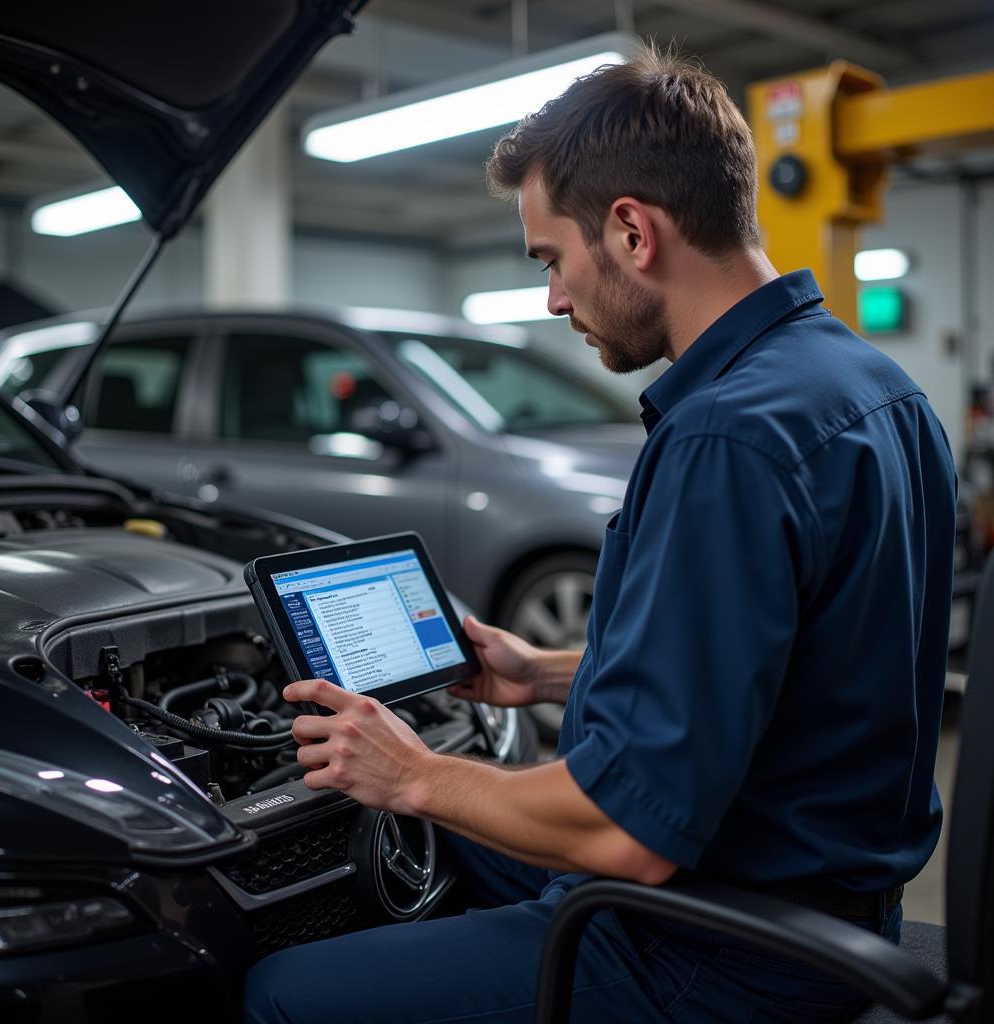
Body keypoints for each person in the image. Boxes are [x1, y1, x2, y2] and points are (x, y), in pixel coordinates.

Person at [244, 44, 957, 1023]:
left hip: (715, 953)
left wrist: (413, 771)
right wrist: (539, 671)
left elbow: (629, 834)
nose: (553, 298)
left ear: (629, 230)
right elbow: (790, 671)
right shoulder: (873, 388)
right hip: (832, 908)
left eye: (550, 258)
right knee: (441, 836)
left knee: (281, 991)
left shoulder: (726, 437)